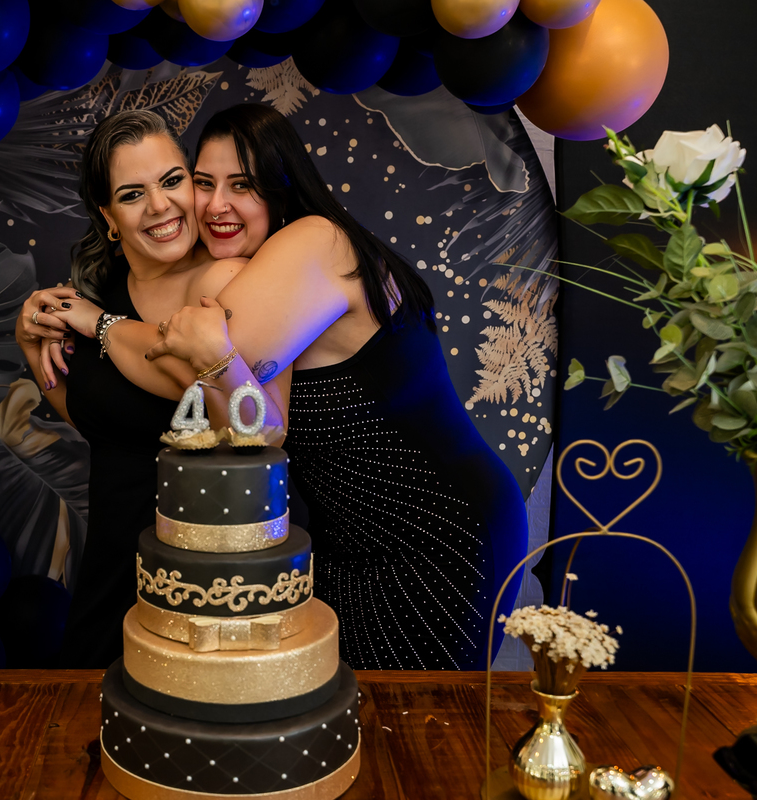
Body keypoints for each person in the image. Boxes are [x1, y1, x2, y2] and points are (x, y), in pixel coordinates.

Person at [31, 103, 528, 671]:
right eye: (204, 183)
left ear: (282, 189)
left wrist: (98, 322)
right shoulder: (261, 263)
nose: (216, 205)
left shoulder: (314, 242)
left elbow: (194, 371)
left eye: (242, 185)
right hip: (344, 541)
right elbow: (160, 396)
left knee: (416, 714)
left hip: (433, 532)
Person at [15, 110, 252, 668]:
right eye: (132, 194)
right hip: (112, 569)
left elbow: (213, 399)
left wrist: (100, 324)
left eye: (172, 181)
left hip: (212, 583)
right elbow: (102, 422)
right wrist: (30, 346)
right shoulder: (99, 291)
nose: (160, 206)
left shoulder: (226, 280)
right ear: (108, 217)